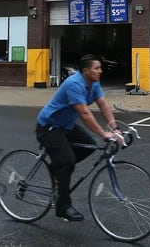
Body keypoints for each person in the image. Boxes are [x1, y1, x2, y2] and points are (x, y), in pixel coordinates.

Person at [36, 54, 124, 222]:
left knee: (88, 146)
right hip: (49, 126)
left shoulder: (94, 83)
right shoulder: (74, 84)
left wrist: (114, 127)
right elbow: (84, 113)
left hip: (66, 125)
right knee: (67, 161)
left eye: (100, 68)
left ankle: (57, 167)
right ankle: (63, 207)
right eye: (96, 68)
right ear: (85, 71)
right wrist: (104, 134)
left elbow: (103, 104)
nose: (100, 71)